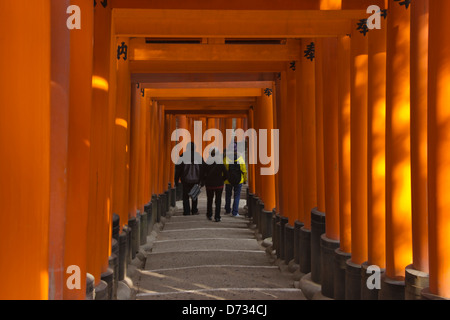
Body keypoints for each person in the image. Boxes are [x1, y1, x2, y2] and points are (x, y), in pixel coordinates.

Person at [174, 142, 204, 216]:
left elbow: (178, 169)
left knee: (185, 196)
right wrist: (202, 180)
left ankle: (186, 211)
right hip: (196, 180)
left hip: (185, 179)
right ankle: (194, 210)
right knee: (194, 195)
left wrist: (176, 180)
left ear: (187, 148)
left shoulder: (183, 156)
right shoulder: (198, 156)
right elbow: (203, 169)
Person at [202, 147, 227, 222]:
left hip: (209, 184)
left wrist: (204, 180)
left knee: (209, 200)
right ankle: (217, 216)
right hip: (219, 184)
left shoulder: (207, 163)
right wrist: (222, 179)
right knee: (218, 200)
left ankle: (209, 214)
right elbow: (226, 174)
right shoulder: (220, 163)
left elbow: (203, 173)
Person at [224, 142, 247, 217]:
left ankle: (227, 210)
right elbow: (244, 170)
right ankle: (235, 212)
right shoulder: (240, 159)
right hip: (239, 180)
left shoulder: (226, 159)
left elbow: (224, 170)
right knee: (237, 196)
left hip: (228, 180)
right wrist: (245, 179)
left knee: (228, 195)